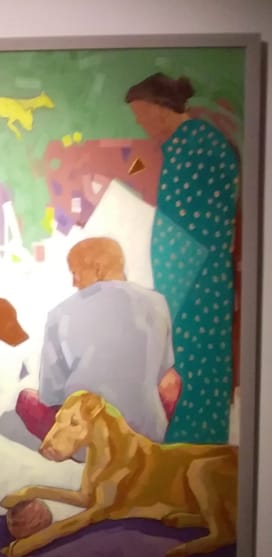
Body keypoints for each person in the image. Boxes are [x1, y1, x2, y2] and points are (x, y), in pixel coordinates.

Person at [126, 73, 239, 444]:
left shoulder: (196, 144)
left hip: (194, 283)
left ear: (160, 108)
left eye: (142, 115)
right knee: (188, 361)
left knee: (192, 362)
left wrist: (169, 291)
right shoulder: (186, 144)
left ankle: (194, 442)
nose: (141, 124)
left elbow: (196, 226)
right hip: (188, 280)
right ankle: (190, 440)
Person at [16, 237, 180, 443]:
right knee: (172, 380)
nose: (74, 282)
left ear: (98, 268)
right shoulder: (158, 303)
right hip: (144, 436)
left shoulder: (60, 313)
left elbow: (51, 394)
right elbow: (162, 371)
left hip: (82, 441)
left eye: (75, 273)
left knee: (26, 399)